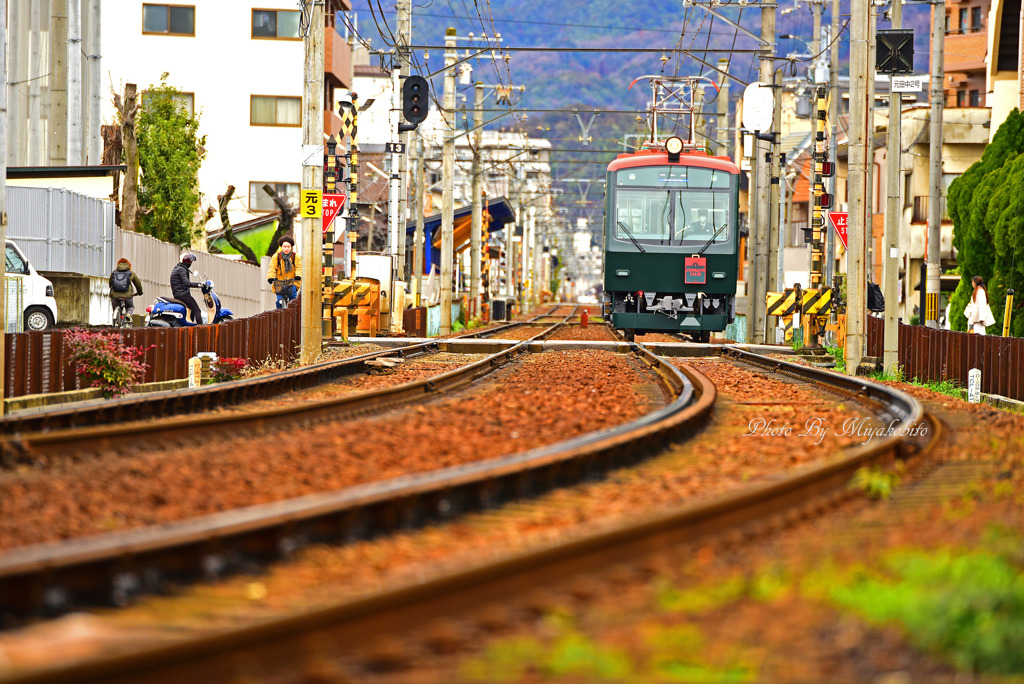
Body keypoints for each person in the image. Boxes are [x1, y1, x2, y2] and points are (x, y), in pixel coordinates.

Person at [267, 235, 302, 309]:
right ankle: (279, 313)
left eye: (288, 247)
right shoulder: (276, 257)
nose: (286, 249)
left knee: (292, 298)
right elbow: (272, 267)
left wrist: (298, 275)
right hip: (280, 282)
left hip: (292, 281)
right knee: (279, 301)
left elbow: (299, 267)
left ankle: (293, 312)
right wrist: (270, 277)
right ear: (281, 247)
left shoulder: (296, 257)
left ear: (291, 247)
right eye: (284, 246)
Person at [170, 252, 205, 325]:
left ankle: (191, 325)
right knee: (197, 310)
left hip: (178, 293)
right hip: (182, 294)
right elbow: (187, 283)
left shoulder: (178, 268)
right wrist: (199, 285)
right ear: (187, 262)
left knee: (192, 310)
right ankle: (201, 328)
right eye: (191, 262)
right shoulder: (181, 269)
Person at [109, 257, 143, 325]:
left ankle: (116, 315)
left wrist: (112, 290)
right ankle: (128, 315)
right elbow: (138, 284)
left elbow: (110, 283)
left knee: (116, 307)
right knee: (130, 307)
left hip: (115, 296)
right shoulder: (131, 272)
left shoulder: (114, 272)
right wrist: (140, 292)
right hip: (127, 296)